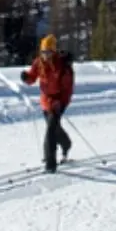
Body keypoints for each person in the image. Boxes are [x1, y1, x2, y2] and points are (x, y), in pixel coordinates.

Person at [21, 33, 76, 172]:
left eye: (48, 52)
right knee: (54, 128)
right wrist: (26, 77)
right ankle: (66, 144)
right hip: (46, 100)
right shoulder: (38, 62)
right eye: (43, 52)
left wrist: (61, 103)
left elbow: (67, 89)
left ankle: (50, 163)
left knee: (50, 130)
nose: (45, 55)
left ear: (54, 51)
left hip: (59, 100)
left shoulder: (62, 66)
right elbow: (32, 77)